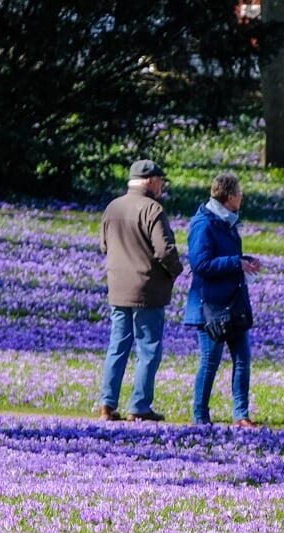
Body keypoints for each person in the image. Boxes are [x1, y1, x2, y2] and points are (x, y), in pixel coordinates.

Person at [98, 158, 183, 422]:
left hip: (118, 288)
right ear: (150, 181)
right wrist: (176, 271)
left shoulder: (112, 207)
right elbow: (164, 250)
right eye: (160, 181)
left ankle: (107, 404)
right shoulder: (152, 209)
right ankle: (140, 405)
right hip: (148, 289)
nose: (162, 186)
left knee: (118, 346)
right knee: (148, 348)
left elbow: (104, 246)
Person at [185, 172, 263, 427]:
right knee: (210, 361)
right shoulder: (204, 224)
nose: (242, 197)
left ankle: (241, 414)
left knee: (242, 358)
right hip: (211, 306)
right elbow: (200, 264)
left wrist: (245, 261)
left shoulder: (228, 222)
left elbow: (227, 257)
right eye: (239, 193)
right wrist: (235, 262)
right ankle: (200, 415)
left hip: (233, 303)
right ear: (229, 197)